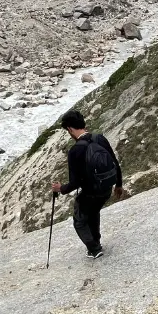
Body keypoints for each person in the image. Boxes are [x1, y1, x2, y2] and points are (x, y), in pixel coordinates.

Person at [51, 110, 124, 259]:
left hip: (90, 193)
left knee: (79, 220)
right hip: (106, 189)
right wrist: (118, 185)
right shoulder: (100, 138)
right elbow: (115, 163)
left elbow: (74, 183)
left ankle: (94, 248)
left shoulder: (75, 151)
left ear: (70, 129)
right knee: (93, 212)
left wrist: (60, 189)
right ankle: (96, 242)